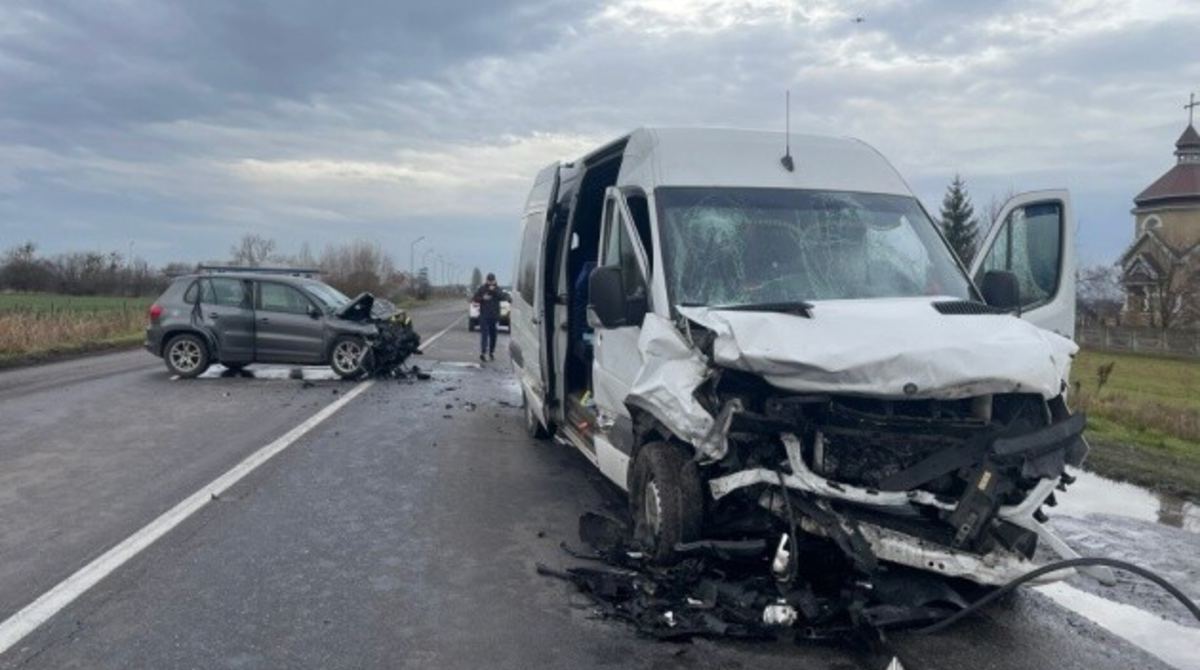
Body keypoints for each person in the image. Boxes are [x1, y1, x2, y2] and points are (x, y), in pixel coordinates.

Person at [473, 273, 509, 362]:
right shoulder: (482, 289)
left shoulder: (498, 289)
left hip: (494, 317)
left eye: (492, 281)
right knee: (484, 334)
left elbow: (504, 297)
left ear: (495, 281)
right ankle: (483, 353)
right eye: (489, 281)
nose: (490, 283)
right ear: (486, 280)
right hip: (484, 316)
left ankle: (491, 352)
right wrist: (483, 298)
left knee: (493, 335)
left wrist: (494, 291)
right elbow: (475, 298)